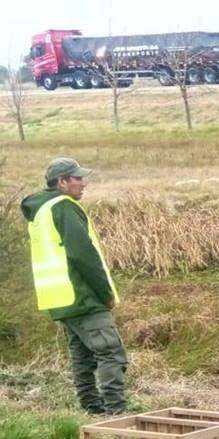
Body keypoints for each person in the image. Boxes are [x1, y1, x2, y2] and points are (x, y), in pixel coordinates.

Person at [22, 157, 127, 415]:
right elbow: (83, 255)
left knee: (82, 357)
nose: (83, 183)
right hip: (82, 295)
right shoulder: (64, 207)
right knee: (111, 353)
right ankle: (117, 414)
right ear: (62, 182)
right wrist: (106, 293)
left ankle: (92, 410)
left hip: (60, 298)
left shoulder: (41, 210)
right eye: (78, 178)